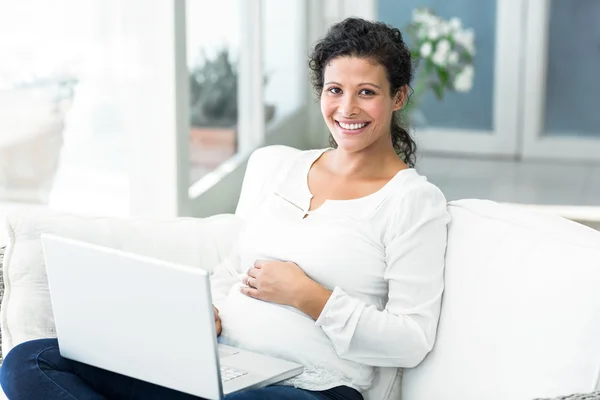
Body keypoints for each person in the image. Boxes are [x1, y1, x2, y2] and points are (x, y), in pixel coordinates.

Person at [0, 17, 450, 400]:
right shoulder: (284, 167)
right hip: (217, 363)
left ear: (398, 97)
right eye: (335, 89)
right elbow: (232, 270)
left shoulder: (412, 201)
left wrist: (310, 297)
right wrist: (204, 314)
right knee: (30, 360)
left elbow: (410, 340)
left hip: (309, 388)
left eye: (367, 92)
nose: (347, 108)